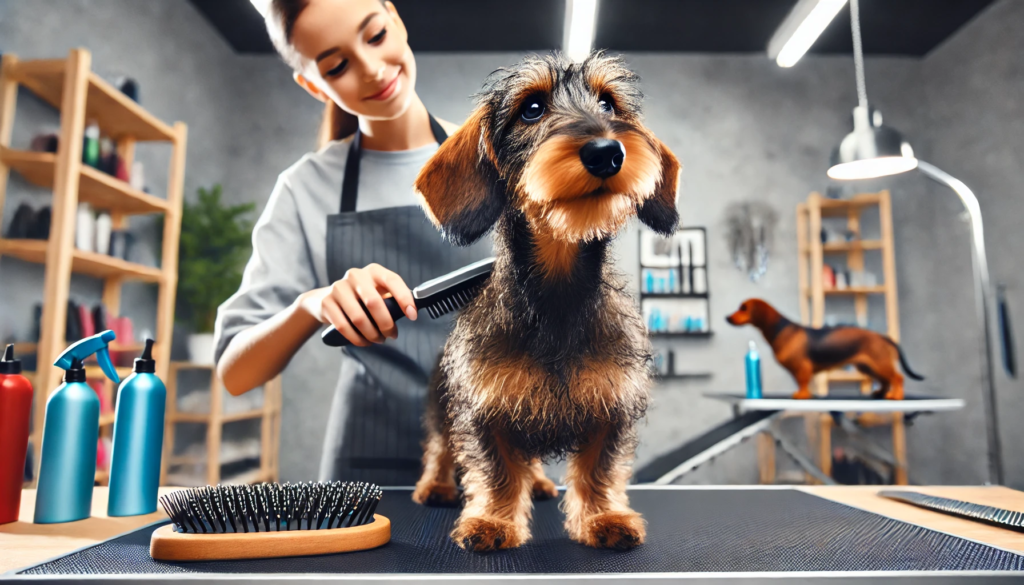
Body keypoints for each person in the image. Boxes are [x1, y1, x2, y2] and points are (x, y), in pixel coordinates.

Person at [214, 0, 491, 486]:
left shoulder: (495, 158)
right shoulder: (305, 187)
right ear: (312, 84)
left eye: (376, 35)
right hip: (369, 464)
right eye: (337, 66)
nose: (372, 69)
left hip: (498, 459)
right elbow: (234, 372)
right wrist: (311, 305)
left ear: (396, 17)